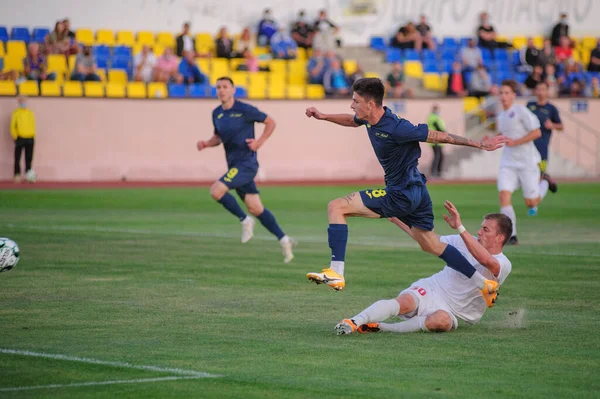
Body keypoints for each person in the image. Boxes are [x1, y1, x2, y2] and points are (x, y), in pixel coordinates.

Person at [304, 77, 506, 293]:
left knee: (336, 207)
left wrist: (479, 144)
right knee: (431, 244)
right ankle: (483, 284)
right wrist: (323, 116)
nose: (352, 105)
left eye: (355, 101)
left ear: (370, 104)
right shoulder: (369, 119)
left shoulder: (398, 128)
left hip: (400, 193)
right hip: (418, 191)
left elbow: (440, 136)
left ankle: (336, 272)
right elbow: (352, 120)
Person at [335, 201, 512, 335]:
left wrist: (459, 226)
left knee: (440, 322)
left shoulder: (503, 263)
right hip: (433, 288)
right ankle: (354, 321)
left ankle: (383, 328)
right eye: (481, 228)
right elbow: (429, 240)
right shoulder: (464, 240)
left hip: (455, 312)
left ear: (499, 238)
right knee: (403, 303)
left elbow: (486, 260)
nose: (480, 232)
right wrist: (396, 219)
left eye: (486, 230)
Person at [196, 77, 295, 263]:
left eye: (225, 87)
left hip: (247, 165)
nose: (221, 90)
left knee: (216, 190)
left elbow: (271, 122)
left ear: (233, 90)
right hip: (234, 167)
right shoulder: (216, 113)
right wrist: (206, 144)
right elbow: (218, 138)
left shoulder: (244, 109)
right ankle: (284, 239)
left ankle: (244, 220)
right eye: (218, 87)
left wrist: (259, 142)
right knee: (256, 208)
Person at [496, 79, 551, 245]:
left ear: (513, 95)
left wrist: (516, 142)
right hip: (508, 162)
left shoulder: (521, 111)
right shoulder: (501, 116)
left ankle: (545, 182)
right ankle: (511, 235)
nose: (503, 96)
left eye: (507, 93)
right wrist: (490, 140)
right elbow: (503, 134)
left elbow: (536, 132)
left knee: (531, 203)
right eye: (501, 93)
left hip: (527, 162)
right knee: (504, 195)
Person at [527, 81, 563, 189]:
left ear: (547, 91)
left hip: (543, 145)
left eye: (543, 89)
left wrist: (552, 125)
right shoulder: (530, 106)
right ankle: (544, 179)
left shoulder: (551, 109)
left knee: (540, 172)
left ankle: (543, 180)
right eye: (538, 89)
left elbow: (561, 126)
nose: (540, 92)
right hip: (529, 145)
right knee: (529, 172)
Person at [11, 97, 37, 183]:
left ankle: (28, 175)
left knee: (28, 157)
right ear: (19, 102)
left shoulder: (30, 113)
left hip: (30, 138)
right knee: (17, 157)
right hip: (20, 138)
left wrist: (33, 135)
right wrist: (16, 137)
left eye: (24, 101)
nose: (23, 103)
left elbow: (32, 124)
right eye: (22, 102)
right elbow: (12, 126)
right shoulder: (16, 113)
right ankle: (17, 174)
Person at [427, 104, 445, 178]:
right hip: (435, 139)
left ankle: (437, 171)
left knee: (440, 156)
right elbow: (438, 127)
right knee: (437, 156)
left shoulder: (435, 117)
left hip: (438, 140)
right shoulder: (433, 117)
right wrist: (444, 133)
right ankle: (434, 172)